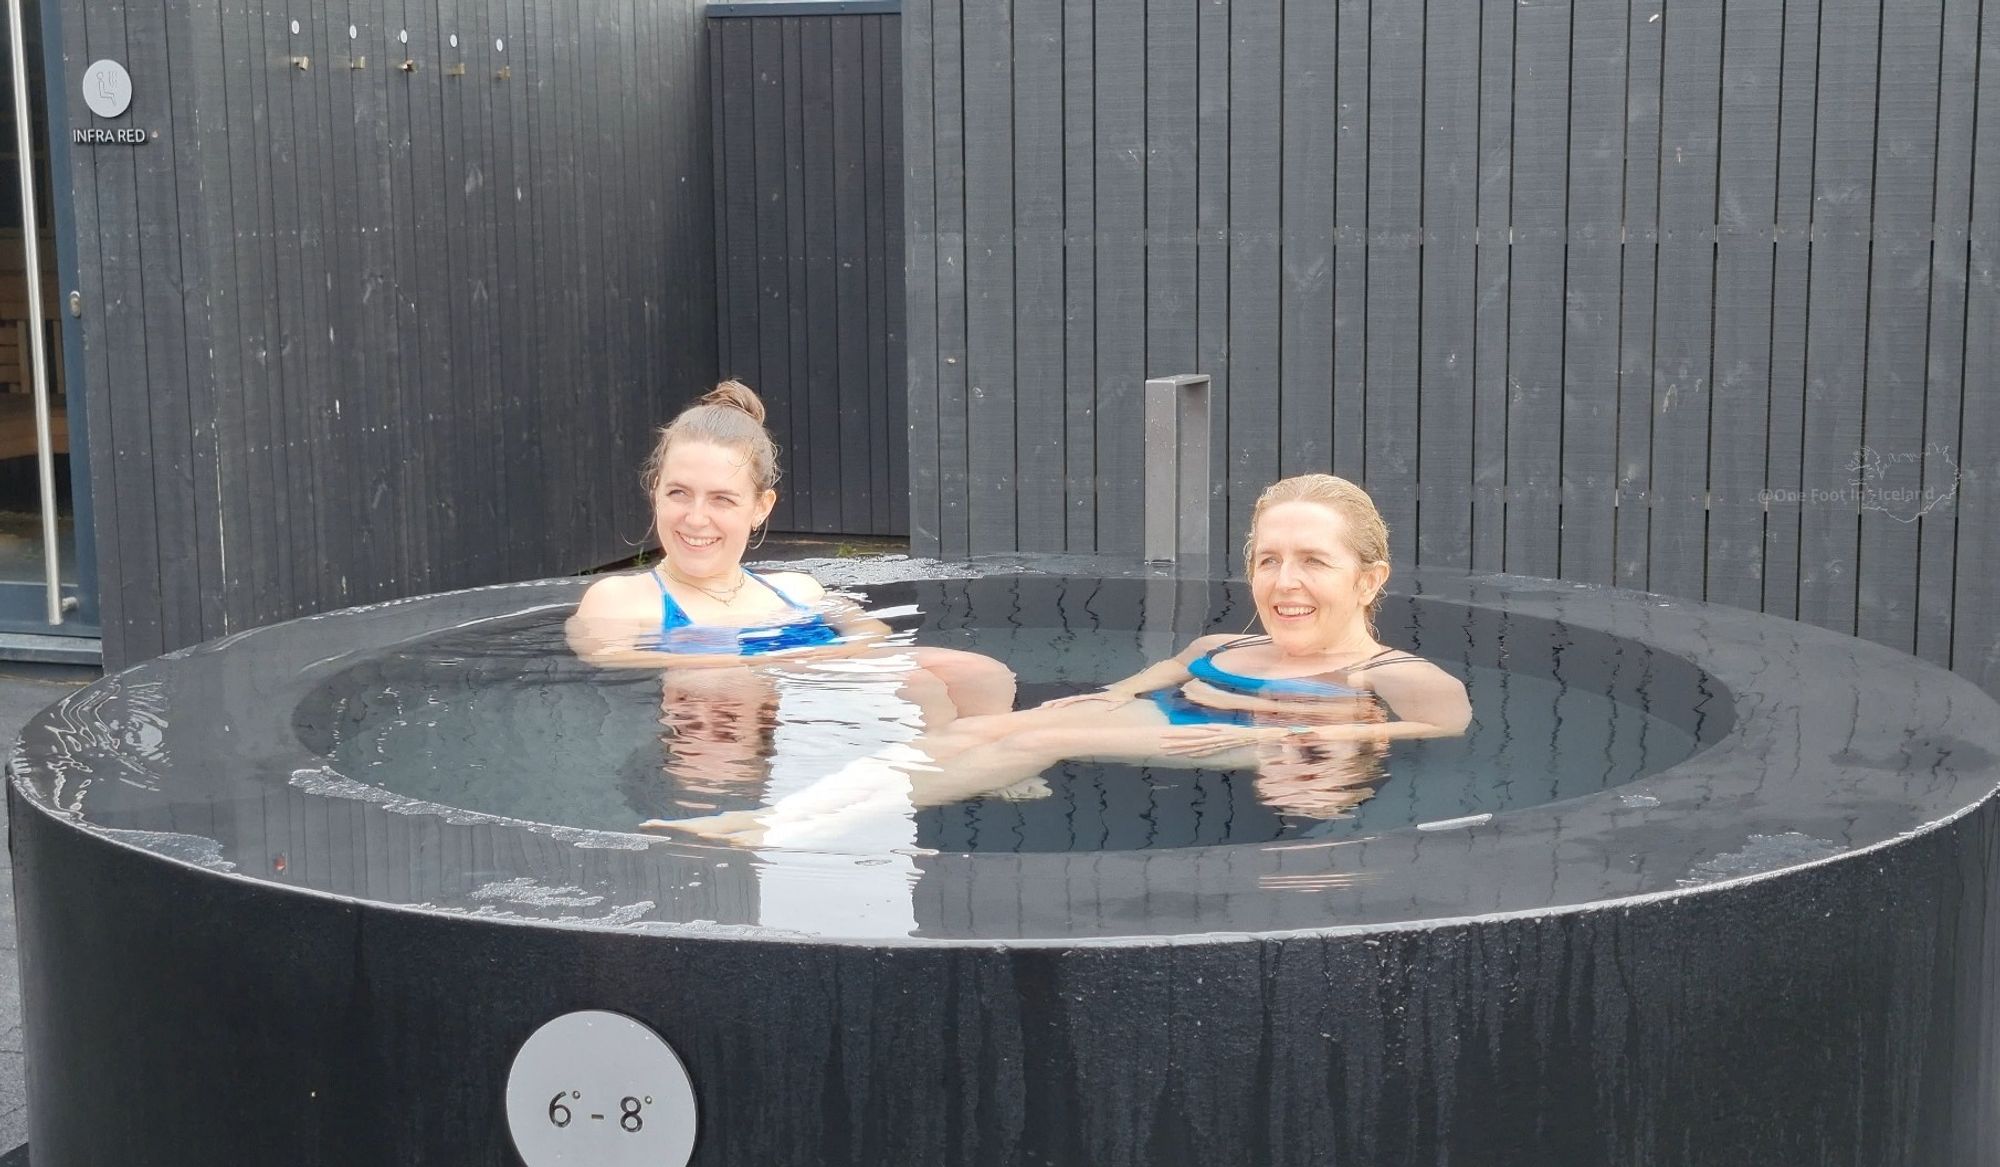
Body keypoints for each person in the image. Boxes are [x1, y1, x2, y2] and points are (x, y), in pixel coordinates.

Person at [659, 473, 1471, 845]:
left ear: (1369, 578)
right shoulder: (1230, 644)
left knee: (1028, 740)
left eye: (1313, 562)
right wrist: (1111, 692)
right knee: (997, 729)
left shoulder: (1386, 672)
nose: (1283, 582)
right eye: (1267, 559)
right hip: (1177, 712)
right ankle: (795, 813)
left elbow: (1445, 722)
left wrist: (1350, 741)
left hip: (1261, 735)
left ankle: (780, 828)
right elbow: (1173, 668)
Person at [566, 379, 1016, 724]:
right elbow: (604, 655)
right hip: (763, 735)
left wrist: (822, 659)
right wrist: (788, 659)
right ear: (655, 492)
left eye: (722, 498)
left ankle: (987, 760)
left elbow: (874, 637)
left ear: (761, 508)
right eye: (680, 493)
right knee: (919, 687)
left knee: (984, 674)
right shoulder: (622, 598)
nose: (696, 518)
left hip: (846, 708)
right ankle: (988, 759)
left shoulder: (796, 589)